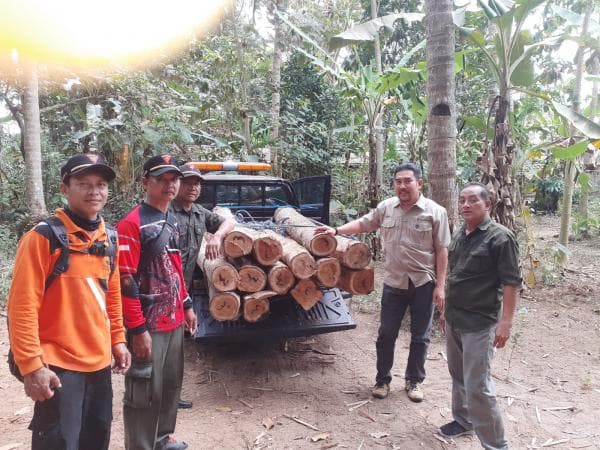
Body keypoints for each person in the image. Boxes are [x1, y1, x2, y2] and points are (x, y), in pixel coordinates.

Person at [7, 153, 131, 450]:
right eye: (83, 183)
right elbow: (22, 307)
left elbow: (111, 296)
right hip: (59, 365)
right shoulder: (43, 238)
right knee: (59, 443)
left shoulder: (108, 238)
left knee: (94, 440)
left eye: (101, 184)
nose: (94, 191)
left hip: (99, 364)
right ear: (65, 188)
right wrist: (31, 366)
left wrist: (118, 339)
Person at [315, 162, 450, 402]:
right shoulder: (387, 208)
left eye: (408, 181)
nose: (402, 186)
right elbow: (365, 223)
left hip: (423, 283)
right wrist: (336, 231)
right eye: (398, 181)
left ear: (419, 183)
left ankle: (414, 380)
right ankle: (382, 379)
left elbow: (442, 251)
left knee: (421, 335)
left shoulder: (435, 211)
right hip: (394, 283)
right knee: (386, 334)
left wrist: (440, 286)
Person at [117, 154, 195, 450]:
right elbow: (125, 281)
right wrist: (137, 330)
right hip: (148, 324)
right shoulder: (131, 223)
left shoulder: (170, 219)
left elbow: (175, 267)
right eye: (161, 179)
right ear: (145, 182)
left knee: (170, 385)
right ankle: (140, 445)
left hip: (173, 319)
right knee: (144, 389)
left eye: (173, 179)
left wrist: (186, 305)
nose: (169, 185)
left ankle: (162, 439)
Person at [438, 182, 521, 449]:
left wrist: (505, 322)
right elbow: (455, 274)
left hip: (480, 323)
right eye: (462, 200)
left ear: (488, 204)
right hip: (455, 318)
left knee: (478, 387)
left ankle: (496, 445)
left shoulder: (501, 237)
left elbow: (511, 283)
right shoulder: (462, 231)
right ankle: (463, 421)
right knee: (458, 375)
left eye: (473, 200)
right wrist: (445, 311)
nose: (465, 205)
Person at [169, 163, 235, 410]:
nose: (193, 187)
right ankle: (151, 399)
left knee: (176, 348)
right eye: (187, 182)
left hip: (182, 290)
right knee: (157, 348)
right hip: (162, 291)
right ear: (177, 184)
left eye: (197, 183)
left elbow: (229, 222)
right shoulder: (165, 212)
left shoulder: (199, 213)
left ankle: (172, 397)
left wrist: (217, 236)